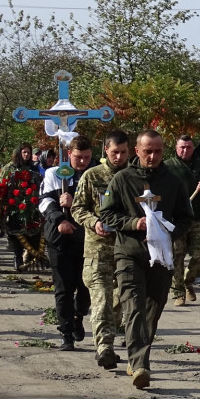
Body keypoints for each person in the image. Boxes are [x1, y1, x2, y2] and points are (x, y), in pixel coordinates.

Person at [100, 130, 193, 390]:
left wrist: (169, 230)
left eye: (158, 151)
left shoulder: (174, 181)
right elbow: (107, 214)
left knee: (154, 308)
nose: (152, 156)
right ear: (136, 151)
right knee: (134, 307)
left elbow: (187, 217)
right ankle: (140, 364)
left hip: (161, 256)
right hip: (129, 253)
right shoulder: (121, 179)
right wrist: (134, 222)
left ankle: (136, 357)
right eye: (147, 151)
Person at [73, 129, 130, 369]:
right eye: (115, 152)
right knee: (102, 299)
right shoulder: (92, 176)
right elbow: (78, 209)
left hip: (126, 249)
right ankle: (104, 347)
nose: (119, 157)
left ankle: (109, 341)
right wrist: (94, 223)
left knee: (119, 301)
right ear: (106, 150)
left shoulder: (133, 177)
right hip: (98, 251)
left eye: (124, 152)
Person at [39, 136, 93, 350]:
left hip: (87, 238)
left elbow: (103, 202)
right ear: (69, 154)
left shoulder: (95, 174)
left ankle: (79, 316)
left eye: (87, 157)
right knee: (63, 288)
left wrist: (76, 203)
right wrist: (59, 219)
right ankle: (66, 332)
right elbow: (45, 202)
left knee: (85, 285)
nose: (82, 162)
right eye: (78, 157)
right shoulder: (55, 174)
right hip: (59, 239)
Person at [165, 134, 200, 307]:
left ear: (193, 148)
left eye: (189, 147)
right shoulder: (168, 166)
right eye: (182, 147)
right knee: (176, 256)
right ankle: (178, 291)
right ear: (176, 148)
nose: (185, 150)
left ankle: (188, 280)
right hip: (177, 218)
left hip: (198, 217)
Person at [1, 143, 41, 270]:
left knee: (33, 232)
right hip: (14, 205)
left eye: (28, 152)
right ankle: (17, 257)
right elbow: (1, 184)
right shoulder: (10, 167)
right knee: (16, 233)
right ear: (19, 153)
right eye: (24, 152)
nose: (26, 155)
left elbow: (40, 183)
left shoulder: (34, 168)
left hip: (32, 205)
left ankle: (30, 257)